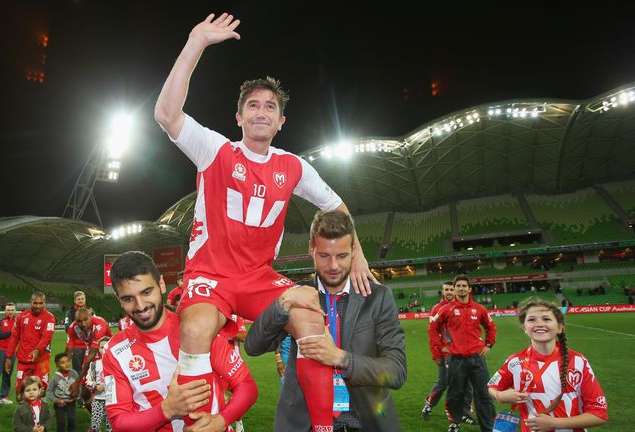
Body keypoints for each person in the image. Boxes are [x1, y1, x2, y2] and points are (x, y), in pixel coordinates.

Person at [153, 12, 376, 429]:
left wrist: (358, 256)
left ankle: (324, 426)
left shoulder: (292, 166)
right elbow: (167, 114)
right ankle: (200, 424)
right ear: (238, 117)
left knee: (312, 315)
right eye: (252, 105)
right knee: (197, 326)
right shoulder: (215, 150)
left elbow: (337, 207)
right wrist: (195, 42)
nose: (261, 111)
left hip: (258, 276)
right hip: (211, 274)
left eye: (269, 107)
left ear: (280, 121)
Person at [245, 210, 407, 431]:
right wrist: (282, 303)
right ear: (311, 249)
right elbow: (253, 346)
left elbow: (396, 370)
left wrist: (341, 358)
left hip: (364, 423)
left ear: (353, 252)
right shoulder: (298, 294)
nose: (333, 266)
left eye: (341, 256)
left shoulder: (377, 297)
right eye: (324, 255)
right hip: (304, 424)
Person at [103, 251, 257, 431]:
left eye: (146, 292)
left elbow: (247, 386)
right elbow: (119, 422)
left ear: (161, 284)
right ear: (118, 299)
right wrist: (167, 410)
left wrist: (221, 421)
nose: (140, 305)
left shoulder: (196, 330)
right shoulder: (114, 351)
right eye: (128, 299)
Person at [488, 297, 608, 432]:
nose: (539, 324)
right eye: (532, 319)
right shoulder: (515, 362)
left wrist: (556, 424)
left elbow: (599, 413)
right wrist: (500, 396)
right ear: (525, 328)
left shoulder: (578, 361)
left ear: (560, 328)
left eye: (546, 319)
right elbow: (492, 386)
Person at [428, 276, 497, 432]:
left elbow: (491, 327)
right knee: (455, 394)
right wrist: (438, 350)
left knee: (483, 395)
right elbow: (433, 328)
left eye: (464, 286)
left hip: (477, 359)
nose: (461, 288)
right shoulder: (446, 309)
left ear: (469, 289)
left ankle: (488, 427)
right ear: (455, 288)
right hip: (456, 360)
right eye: (458, 285)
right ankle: (455, 423)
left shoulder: (479, 308)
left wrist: (488, 344)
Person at [423, 282, 475, 424]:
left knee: (468, 384)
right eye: (447, 289)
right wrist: (436, 354)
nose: (449, 292)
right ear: (443, 292)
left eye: (452, 289)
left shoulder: (462, 307)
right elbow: (432, 333)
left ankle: (464, 413)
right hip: (446, 354)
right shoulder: (436, 309)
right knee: (444, 383)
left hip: (463, 352)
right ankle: (428, 405)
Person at [5, 292, 56, 397]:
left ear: (45, 303)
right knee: (20, 394)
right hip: (23, 361)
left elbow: (46, 336)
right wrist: (8, 357)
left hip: (41, 361)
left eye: (41, 303)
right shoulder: (21, 317)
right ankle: (25, 412)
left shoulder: (49, 317)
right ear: (30, 302)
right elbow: (14, 337)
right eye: (35, 303)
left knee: (41, 392)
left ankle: (38, 412)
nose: (38, 306)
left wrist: (37, 350)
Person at [45, 352, 78, 432]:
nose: (66, 364)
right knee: (61, 422)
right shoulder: (55, 377)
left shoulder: (74, 373)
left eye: (67, 361)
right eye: (63, 363)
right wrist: (56, 400)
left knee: (71, 419)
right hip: (59, 404)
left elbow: (78, 386)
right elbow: (49, 391)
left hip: (71, 402)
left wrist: (76, 395)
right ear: (57, 365)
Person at [86, 337, 111, 432]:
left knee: (112, 426)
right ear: (98, 349)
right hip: (98, 399)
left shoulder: (118, 364)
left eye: (106, 347)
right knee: (95, 426)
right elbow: (88, 381)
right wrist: (95, 386)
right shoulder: (94, 365)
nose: (104, 350)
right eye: (101, 347)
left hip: (112, 400)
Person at [64, 291, 90, 374]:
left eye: (82, 299)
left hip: (89, 346)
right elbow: (67, 328)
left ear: (85, 300)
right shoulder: (70, 312)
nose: (80, 301)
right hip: (77, 346)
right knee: (77, 371)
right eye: (78, 299)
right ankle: (78, 386)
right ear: (75, 301)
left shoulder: (90, 311)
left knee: (90, 370)